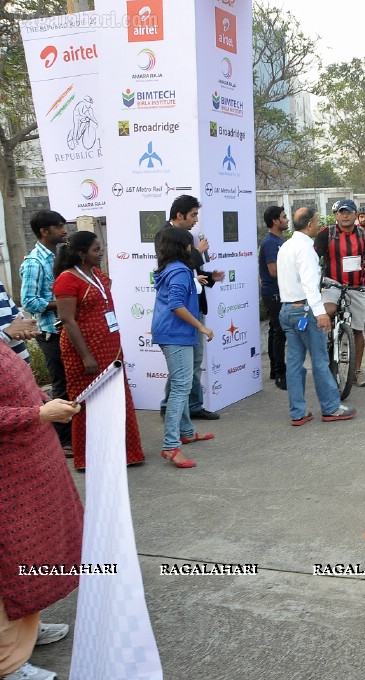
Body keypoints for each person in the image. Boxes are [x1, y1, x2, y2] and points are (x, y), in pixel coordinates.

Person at [0, 341, 82, 680]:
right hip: (8, 477)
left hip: (30, 464)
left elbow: (19, 387)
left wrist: (45, 401)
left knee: (31, 556)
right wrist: (38, 414)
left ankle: (27, 634)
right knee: (9, 564)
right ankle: (8, 663)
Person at [53, 231, 144, 471]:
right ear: (81, 254)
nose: (100, 252)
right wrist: (86, 355)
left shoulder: (97, 274)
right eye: (95, 249)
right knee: (87, 403)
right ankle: (89, 458)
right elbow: (68, 320)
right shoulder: (66, 279)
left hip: (110, 348)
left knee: (116, 400)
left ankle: (124, 454)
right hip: (84, 352)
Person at [278, 208, 357, 426]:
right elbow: (309, 285)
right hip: (305, 309)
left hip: (287, 309)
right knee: (320, 361)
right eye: (316, 221)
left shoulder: (285, 246)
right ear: (310, 224)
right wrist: (320, 312)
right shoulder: (305, 249)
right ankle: (331, 407)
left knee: (294, 363)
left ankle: (298, 412)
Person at [156, 195, 224, 421]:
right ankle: (174, 409)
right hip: (180, 315)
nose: (196, 220)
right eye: (193, 215)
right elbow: (175, 266)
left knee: (192, 362)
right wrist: (196, 250)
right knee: (184, 366)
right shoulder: (164, 236)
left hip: (194, 305)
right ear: (179, 215)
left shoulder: (190, 237)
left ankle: (190, 408)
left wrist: (210, 278)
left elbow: (193, 273)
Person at [152, 228, 214, 468]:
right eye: (190, 243)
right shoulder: (178, 270)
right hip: (176, 334)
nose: (193, 247)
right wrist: (202, 327)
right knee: (180, 388)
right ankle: (170, 446)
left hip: (175, 333)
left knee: (183, 385)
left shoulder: (174, 269)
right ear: (183, 246)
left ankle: (186, 431)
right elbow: (176, 305)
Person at [20, 210, 71, 451]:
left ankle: (74, 434)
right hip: (50, 333)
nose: (64, 230)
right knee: (60, 384)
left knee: (72, 383)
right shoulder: (34, 262)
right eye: (59, 227)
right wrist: (62, 303)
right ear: (44, 231)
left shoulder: (57, 256)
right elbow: (29, 301)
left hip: (67, 330)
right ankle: (62, 440)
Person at [314, 199, 365, 387]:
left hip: (356, 285)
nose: (345, 215)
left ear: (355, 214)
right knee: (329, 310)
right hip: (333, 283)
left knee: (358, 330)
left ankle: (356, 371)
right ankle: (326, 343)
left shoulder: (362, 234)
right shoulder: (326, 233)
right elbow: (313, 257)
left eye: (349, 212)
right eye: (341, 212)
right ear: (336, 215)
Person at [259, 205, 289, 390]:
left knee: (274, 330)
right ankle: (280, 372)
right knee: (279, 332)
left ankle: (273, 368)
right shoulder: (270, 242)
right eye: (284, 217)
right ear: (276, 221)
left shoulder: (280, 240)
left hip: (279, 291)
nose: (286, 219)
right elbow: (273, 271)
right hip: (274, 292)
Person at [0, 281, 34, 363]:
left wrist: (24, 328)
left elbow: (17, 316)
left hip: (20, 367)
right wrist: (6, 334)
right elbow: (10, 331)